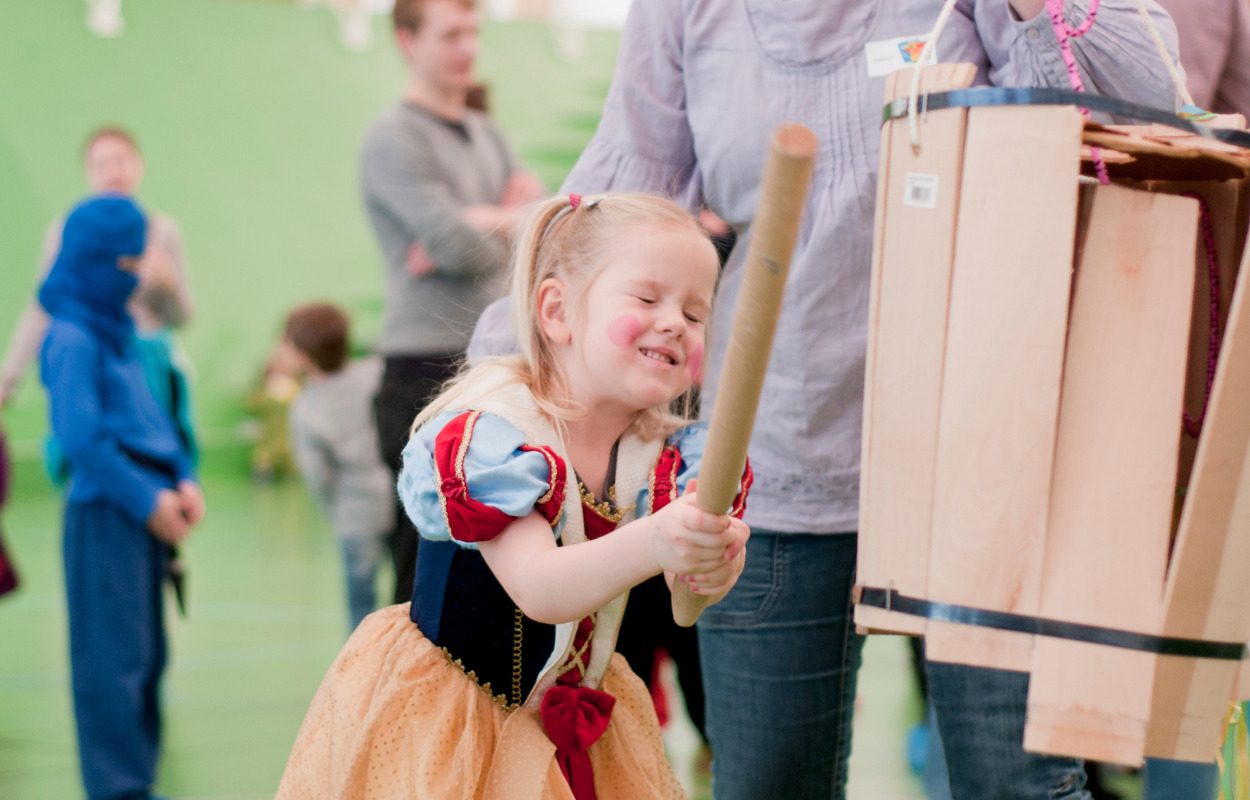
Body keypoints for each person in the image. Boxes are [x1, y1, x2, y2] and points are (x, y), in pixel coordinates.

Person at [467, 0, 1185, 797]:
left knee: (1017, 786)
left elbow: (1151, 105)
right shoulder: (687, 14)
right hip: (771, 465)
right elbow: (615, 197)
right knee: (771, 785)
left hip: (981, 468)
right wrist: (498, 374)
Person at [275, 192, 751, 800]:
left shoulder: (667, 453)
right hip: (453, 723)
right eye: (647, 297)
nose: (674, 323)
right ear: (557, 312)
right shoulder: (494, 434)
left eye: (695, 313)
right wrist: (661, 538)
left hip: (577, 716)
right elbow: (541, 588)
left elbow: (685, 608)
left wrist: (712, 561)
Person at [362, 0, 545, 607]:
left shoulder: (488, 133)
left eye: (474, 32)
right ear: (407, 41)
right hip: (424, 368)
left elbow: (538, 228)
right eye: (450, 35)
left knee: (496, 572)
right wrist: (502, 220)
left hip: (493, 367)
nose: (468, 47)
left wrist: (480, 219)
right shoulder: (393, 139)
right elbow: (456, 246)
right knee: (427, 567)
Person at [38, 194, 205, 800]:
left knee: (144, 659)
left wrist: (182, 475)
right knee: (111, 665)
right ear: (97, 260)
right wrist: (146, 499)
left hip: (145, 512)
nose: (136, 277)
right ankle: (118, 789)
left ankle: (138, 779)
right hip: (107, 512)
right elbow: (83, 440)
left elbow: (149, 415)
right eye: (128, 265)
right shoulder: (72, 336)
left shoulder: (118, 330)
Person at [1, 126, 194, 413]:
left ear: (139, 165)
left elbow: (183, 316)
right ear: (88, 173)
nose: (113, 171)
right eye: (100, 164)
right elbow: (43, 305)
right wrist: (8, 378)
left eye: (121, 160)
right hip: (91, 367)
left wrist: (166, 285)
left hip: (147, 372)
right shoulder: (68, 231)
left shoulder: (161, 231)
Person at [284, 303, 394, 632]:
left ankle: (357, 676)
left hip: (353, 513)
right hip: (398, 498)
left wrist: (334, 508)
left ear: (302, 354)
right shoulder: (375, 374)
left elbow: (318, 475)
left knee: (360, 604)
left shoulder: (305, 408)